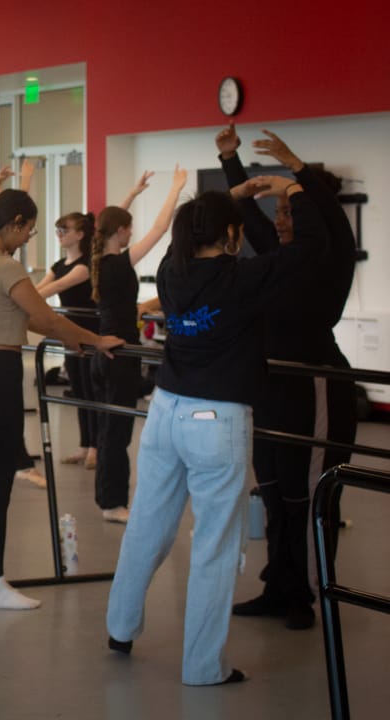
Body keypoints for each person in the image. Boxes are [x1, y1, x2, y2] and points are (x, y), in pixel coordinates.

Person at [106, 177, 326, 685]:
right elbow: (312, 246)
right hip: (216, 421)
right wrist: (293, 189)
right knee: (215, 546)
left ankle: (120, 628)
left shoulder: (170, 271)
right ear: (230, 234)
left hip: (164, 411)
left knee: (146, 525)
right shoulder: (243, 277)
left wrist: (234, 202)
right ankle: (204, 667)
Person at [0, 189, 123, 610]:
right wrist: (97, 339)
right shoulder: (4, 265)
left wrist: (74, 338)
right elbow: (46, 318)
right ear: (14, 222)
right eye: (28, 229)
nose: (28, 237)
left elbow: (30, 319)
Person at [217, 125, 358, 630]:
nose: (279, 220)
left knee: (308, 495)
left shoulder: (331, 259)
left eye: (288, 211)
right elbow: (249, 219)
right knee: (276, 492)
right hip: (272, 389)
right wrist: (230, 161)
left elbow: (334, 224)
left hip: (315, 388)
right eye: (279, 212)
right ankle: (278, 587)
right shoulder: (280, 260)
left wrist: (297, 173)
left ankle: (307, 593)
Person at [89, 166, 187, 523]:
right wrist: (175, 189)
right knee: (116, 433)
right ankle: (113, 503)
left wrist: (132, 193)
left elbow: (108, 222)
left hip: (106, 353)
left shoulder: (100, 260)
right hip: (119, 353)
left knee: (109, 429)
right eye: (128, 228)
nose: (132, 233)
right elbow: (159, 229)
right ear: (121, 231)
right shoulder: (117, 263)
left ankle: (108, 500)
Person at [36, 211, 99, 469]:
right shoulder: (58, 265)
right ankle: (85, 445)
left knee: (91, 391)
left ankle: (95, 447)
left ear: (80, 235)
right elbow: (38, 289)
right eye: (58, 230)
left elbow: (53, 288)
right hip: (69, 335)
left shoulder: (84, 266)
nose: (60, 235)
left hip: (88, 333)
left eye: (65, 230)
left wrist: (24, 300)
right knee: (79, 390)